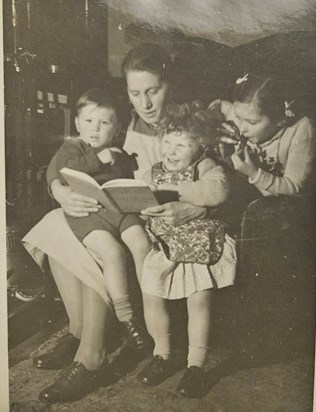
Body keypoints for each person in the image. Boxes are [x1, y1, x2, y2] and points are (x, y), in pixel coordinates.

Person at [22, 43, 209, 403]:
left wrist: (196, 209)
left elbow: (216, 182)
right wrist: (61, 191)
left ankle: (91, 356)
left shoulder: (192, 122)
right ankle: (79, 330)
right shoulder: (130, 129)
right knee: (57, 221)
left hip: (166, 224)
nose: (146, 103)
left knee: (101, 245)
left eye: (153, 90)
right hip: (132, 214)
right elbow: (98, 170)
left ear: (168, 84)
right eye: (135, 93)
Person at [136, 103, 236, 398]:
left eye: (181, 144)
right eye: (167, 142)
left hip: (199, 248)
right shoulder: (151, 172)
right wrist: (143, 205)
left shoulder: (204, 166)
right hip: (165, 246)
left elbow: (218, 190)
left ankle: (196, 365)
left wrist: (169, 192)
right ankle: (162, 354)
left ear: (200, 145)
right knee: (151, 295)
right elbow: (142, 204)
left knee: (198, 302)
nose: (172, 150)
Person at [47, 88, 151, 349]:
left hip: (119, 210)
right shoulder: (72, 147)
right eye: (89, 121)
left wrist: (123, 163)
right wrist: (97, 159)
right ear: (77, 123)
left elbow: (128, 176)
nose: (95, 129)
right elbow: (61, 172)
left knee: (141, 243)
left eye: (104, 123)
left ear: (115, 128)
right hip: (89, 214)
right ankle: (127, 317)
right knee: (113, 252)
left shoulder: (116, 149)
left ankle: (150, 303)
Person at [210, 72, 315, 196]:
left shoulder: (302, 130)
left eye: (252, 122)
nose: (242, 128)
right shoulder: (245, 113)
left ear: (280, 120)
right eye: (239, 118)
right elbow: (220, 105)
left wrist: (253, 173)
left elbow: (293, 187)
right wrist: (212, 119)